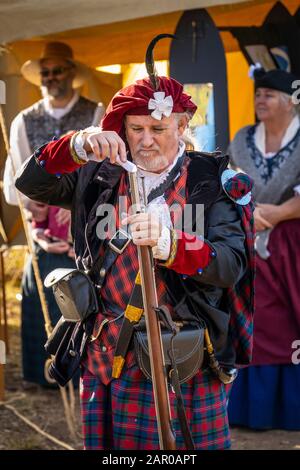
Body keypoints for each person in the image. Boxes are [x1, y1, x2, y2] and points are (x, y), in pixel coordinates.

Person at [15, 36, 254, 449]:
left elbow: (231, 266)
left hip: (184, 353)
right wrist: (73, 146)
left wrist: (172, 245)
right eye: (136, 129)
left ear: (182, 126)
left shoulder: (213, 183)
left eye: (159, 128)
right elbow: (30, 182)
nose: (146, 141)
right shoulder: (98, 175)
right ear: (122, 128)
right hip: (108, 349)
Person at [4, 41, 104, 387]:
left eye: (57, 70)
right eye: (45, 72)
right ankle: (40, 373)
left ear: (71, 74)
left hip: (79, 221)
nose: (50, 77)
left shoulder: (96, 113)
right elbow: (16, 169)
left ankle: (77, 372)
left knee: (83, 299)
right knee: (40, 296)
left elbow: (100, 168)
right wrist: (31, 205)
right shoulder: (23, 120)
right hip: (41, 223)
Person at [228, 66, 300, 430]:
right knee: (256, 320)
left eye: (269, 94)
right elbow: (227, 181)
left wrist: (279, 212)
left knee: (292, 322)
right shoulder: (242, 139)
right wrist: (248, 212)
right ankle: (251, 409)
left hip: (294, 247)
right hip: (250, 241)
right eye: (258, 94)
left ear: (291, 102)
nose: (260, 100)